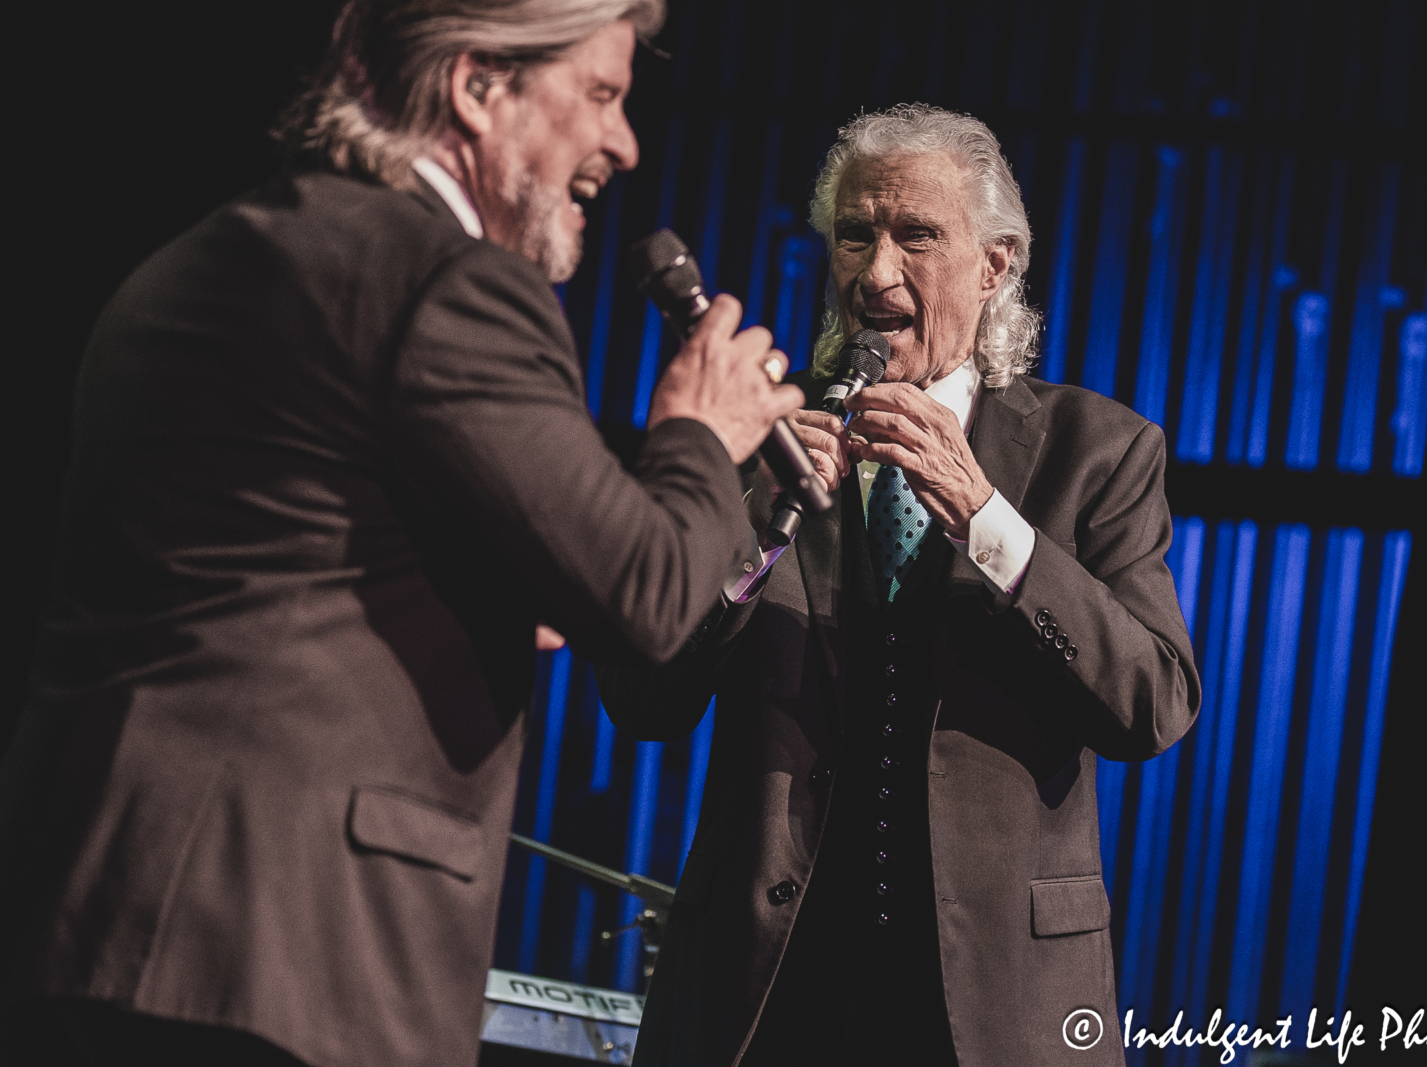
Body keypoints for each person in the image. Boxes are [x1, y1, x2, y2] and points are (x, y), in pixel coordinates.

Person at [0, 2, 803, 1065]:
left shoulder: (199, 257)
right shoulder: (453, 287)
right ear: (478, 88)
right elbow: (648, 596)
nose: (624, 143)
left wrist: (474, 608)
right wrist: (703, 428)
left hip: (84, 922)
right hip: (286, 952)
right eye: (602, 94)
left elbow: (280, 568)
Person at [598, 104, 1201, 1066]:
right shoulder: (749, 432)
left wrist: (987, 516)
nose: (876, 273)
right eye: (854, 235)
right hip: (767, 996)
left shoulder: (1100, 452)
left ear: (995, 265)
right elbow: (642, 697)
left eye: (916, 235)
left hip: (996, 1001)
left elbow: (1154, 704)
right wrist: (754, 512)